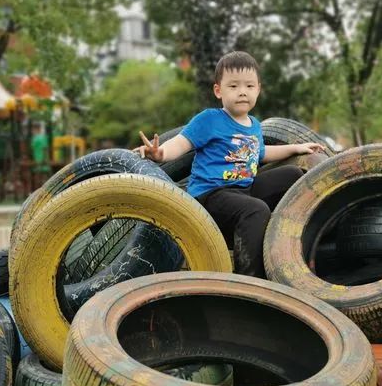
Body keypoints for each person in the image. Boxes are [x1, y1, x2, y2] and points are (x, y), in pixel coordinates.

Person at [136, 51, 324, 278]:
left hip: (244, 189)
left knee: (292, 174)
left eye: (249, 86)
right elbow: (180, 144)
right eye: (233, 86)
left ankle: (294, 243)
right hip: (210, 196)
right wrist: (159, 153)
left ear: (258, 90)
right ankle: (249, 279)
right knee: (256, 209)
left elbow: (260, 153)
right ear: (219, 91)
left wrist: (295, 148)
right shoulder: (209, 119)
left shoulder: (253, 124)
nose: (242, 91)